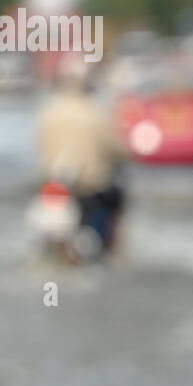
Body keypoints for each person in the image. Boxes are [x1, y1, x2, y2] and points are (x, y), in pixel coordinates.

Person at [37, 55, 130, 255]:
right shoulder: (95, 112)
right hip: (91, 187)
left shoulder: (49, 110)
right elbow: (116, 147)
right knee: (117, 200)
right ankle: (110, 248)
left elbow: (41, 146)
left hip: (54, 186)